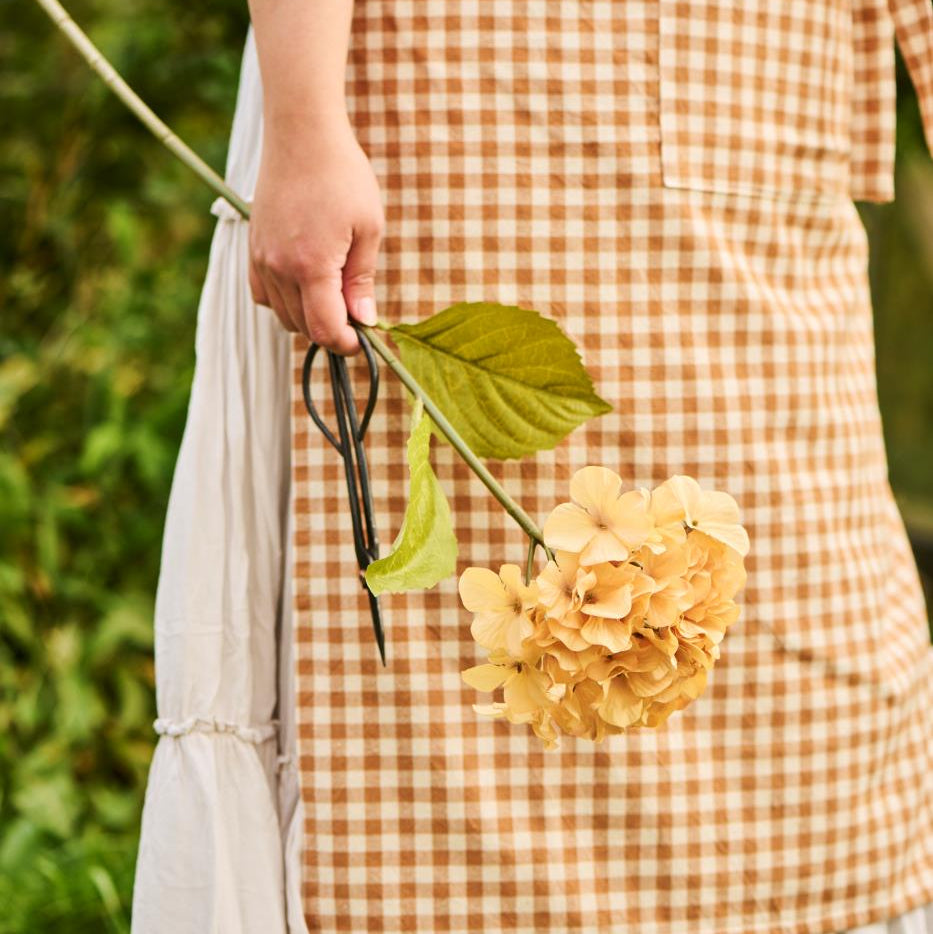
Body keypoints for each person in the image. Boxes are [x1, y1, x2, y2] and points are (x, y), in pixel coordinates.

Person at [131, 0, 933, 932]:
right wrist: (303, 120)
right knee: (433, 748)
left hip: (761, 103)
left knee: (797, 656)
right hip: (461, 111)